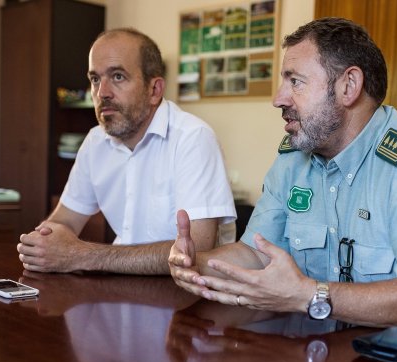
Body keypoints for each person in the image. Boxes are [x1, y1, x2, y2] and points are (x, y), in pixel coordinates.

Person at [169, 18, 397, 336]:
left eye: (295, 81)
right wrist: (196, 264)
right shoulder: (293, 159)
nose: (278, 98)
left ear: (348, 86)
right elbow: (256, 253)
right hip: (343, 350)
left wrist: (309, 295)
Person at [17, 28, 236, 275]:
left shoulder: (193, 138)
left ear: (155, 90)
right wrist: (44, 243)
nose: (102, 93)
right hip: (120, 289)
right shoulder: (95, 141)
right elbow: (64, 221)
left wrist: (80, 255)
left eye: (118, 76)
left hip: (188, 300)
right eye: (95, 79)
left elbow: (195, 251)